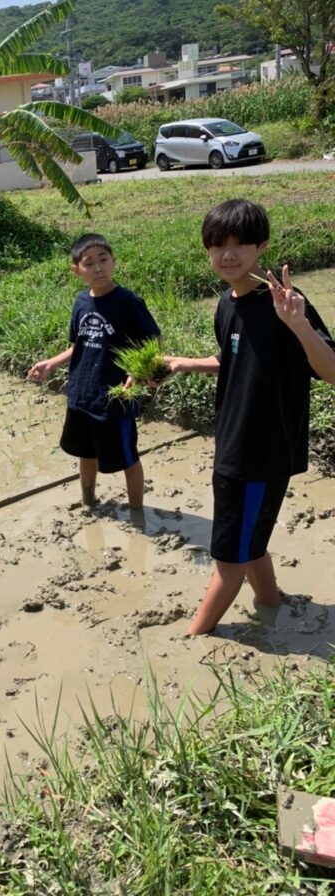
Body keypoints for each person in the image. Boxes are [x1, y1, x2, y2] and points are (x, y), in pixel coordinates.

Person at [164, 199, 335, 636]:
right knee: (248, 541)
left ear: (262, 247)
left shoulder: (285, 304)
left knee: (229, 562)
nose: (228, 254)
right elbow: (236, 358)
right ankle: (271, 604)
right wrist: (185, 363)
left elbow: (330, 371)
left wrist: (297, 324)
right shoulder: (227, 304)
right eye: (218, 245)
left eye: (241, 244)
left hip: (262, 455)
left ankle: (194, 638)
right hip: (232, 446)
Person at [28, 232, 161, 512]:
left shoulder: (128, 302)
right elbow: (78, 344)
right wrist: (52, 362)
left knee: (128, 459)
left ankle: (137, 512)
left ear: (114, 261)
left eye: (103, 260)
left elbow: (154, 342)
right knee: (85, 453)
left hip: (115, 398)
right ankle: (88, 500)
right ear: (77, 271)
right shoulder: (81, 302)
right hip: (81, 395)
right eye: (89, 263)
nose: (98, 268)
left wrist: (136, 372)